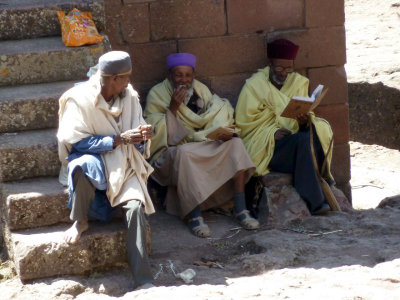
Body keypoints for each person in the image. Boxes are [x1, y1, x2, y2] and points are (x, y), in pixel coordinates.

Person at [57, 51, 154, 289]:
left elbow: (137, 140)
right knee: (81, 167)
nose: (129, 82)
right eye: (126, 78)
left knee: (135, 207)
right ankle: (80, 221)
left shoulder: (129, 96)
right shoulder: (77, 99)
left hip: (125, 161)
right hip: (93, 157)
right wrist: (117, 140)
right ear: (113, 79)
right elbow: (76, 143)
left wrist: (142, 137)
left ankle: (143, 279)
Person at [144, 53, 259, 238]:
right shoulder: (157, 94)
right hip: (173, 150)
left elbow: (216, 112)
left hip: (202, 142)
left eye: (188, 75)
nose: (184, 80)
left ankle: (241, 209)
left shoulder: (200, 89)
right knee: (184, 154)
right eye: (178, 75)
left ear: (193, 76)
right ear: (169, 76)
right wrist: (173, 108)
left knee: (236, 144)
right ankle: (194, 215)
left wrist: (217, 132)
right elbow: (156, 132)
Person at [235, 39, 335, 215]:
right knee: (302, 142)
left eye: (289, 69)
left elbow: (302, 114)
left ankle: (317, 190)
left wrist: (303, 121)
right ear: (269, 64)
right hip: (267, 147)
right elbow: (245, 125)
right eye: (279, 69)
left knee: (319, 129)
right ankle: (317, 201)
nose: (284, 74)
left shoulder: (298, 82)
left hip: (295, 141)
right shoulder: (254, 86)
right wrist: (271, 133)